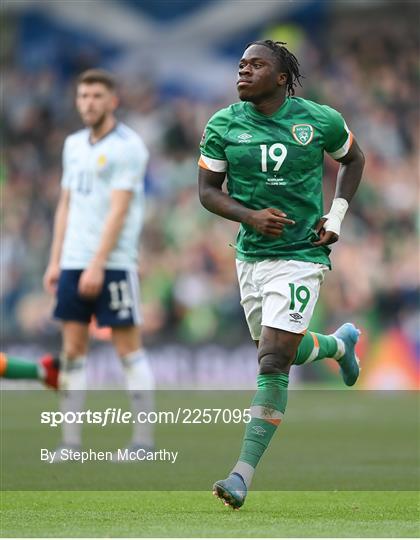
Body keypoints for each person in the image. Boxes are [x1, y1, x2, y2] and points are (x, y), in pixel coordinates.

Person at [198, 40, 365, 509]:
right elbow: (208, 193)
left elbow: (353, 159)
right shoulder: (223, 125)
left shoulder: (320, 120)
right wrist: (249, 217)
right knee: (280, 350)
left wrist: (336, 217)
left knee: (272, 361)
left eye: (256, 65)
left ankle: (240, 476)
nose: (243, 72)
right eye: (240, 65)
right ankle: (336, 344)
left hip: (301, 256)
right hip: (250, 256)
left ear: (282, 78)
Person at [41, 68, 155, 461]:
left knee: (128, 348)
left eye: (96, 96)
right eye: (83, 95)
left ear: (113, 101)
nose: (88, 102)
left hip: (114, 264)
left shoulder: (129, 147)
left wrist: (98, 263)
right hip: (72, 262)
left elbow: (119, 211)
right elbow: (65, 205)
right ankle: (70, 444)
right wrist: (55, 260)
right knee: (72, 350)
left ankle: (142, 442)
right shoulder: (73, 145)